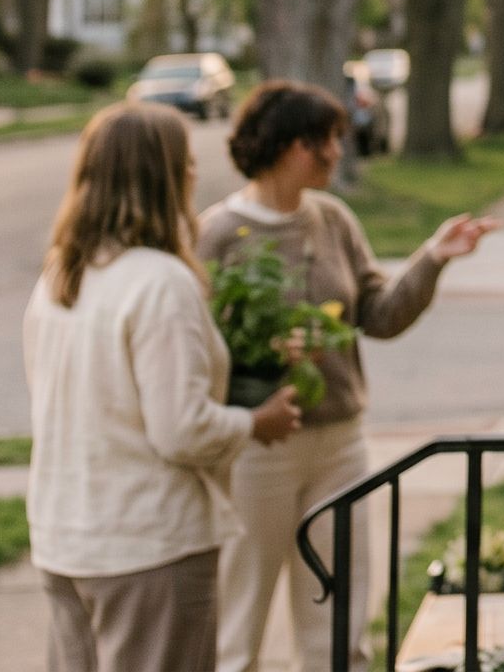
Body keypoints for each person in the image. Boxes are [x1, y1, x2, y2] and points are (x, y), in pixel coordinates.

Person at [197, 82, 498, 672]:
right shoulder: (215, 234)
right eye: (325, 141)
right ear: (285, 147)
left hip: (339, 444)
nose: (339, 151)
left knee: (338, 619)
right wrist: (261, 354)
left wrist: (433, 257)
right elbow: (195, 348)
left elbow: (380, 316)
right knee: (239, 621)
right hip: (257, 448)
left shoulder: (333, 219)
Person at [25, 101, 304, 672]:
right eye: (188, 164)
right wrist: (256, 421)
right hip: (148, 545)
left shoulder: (59, 275)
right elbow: (180, 430)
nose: (195, 176)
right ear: (163, 177)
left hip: (64, 536)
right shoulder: (161, 283)